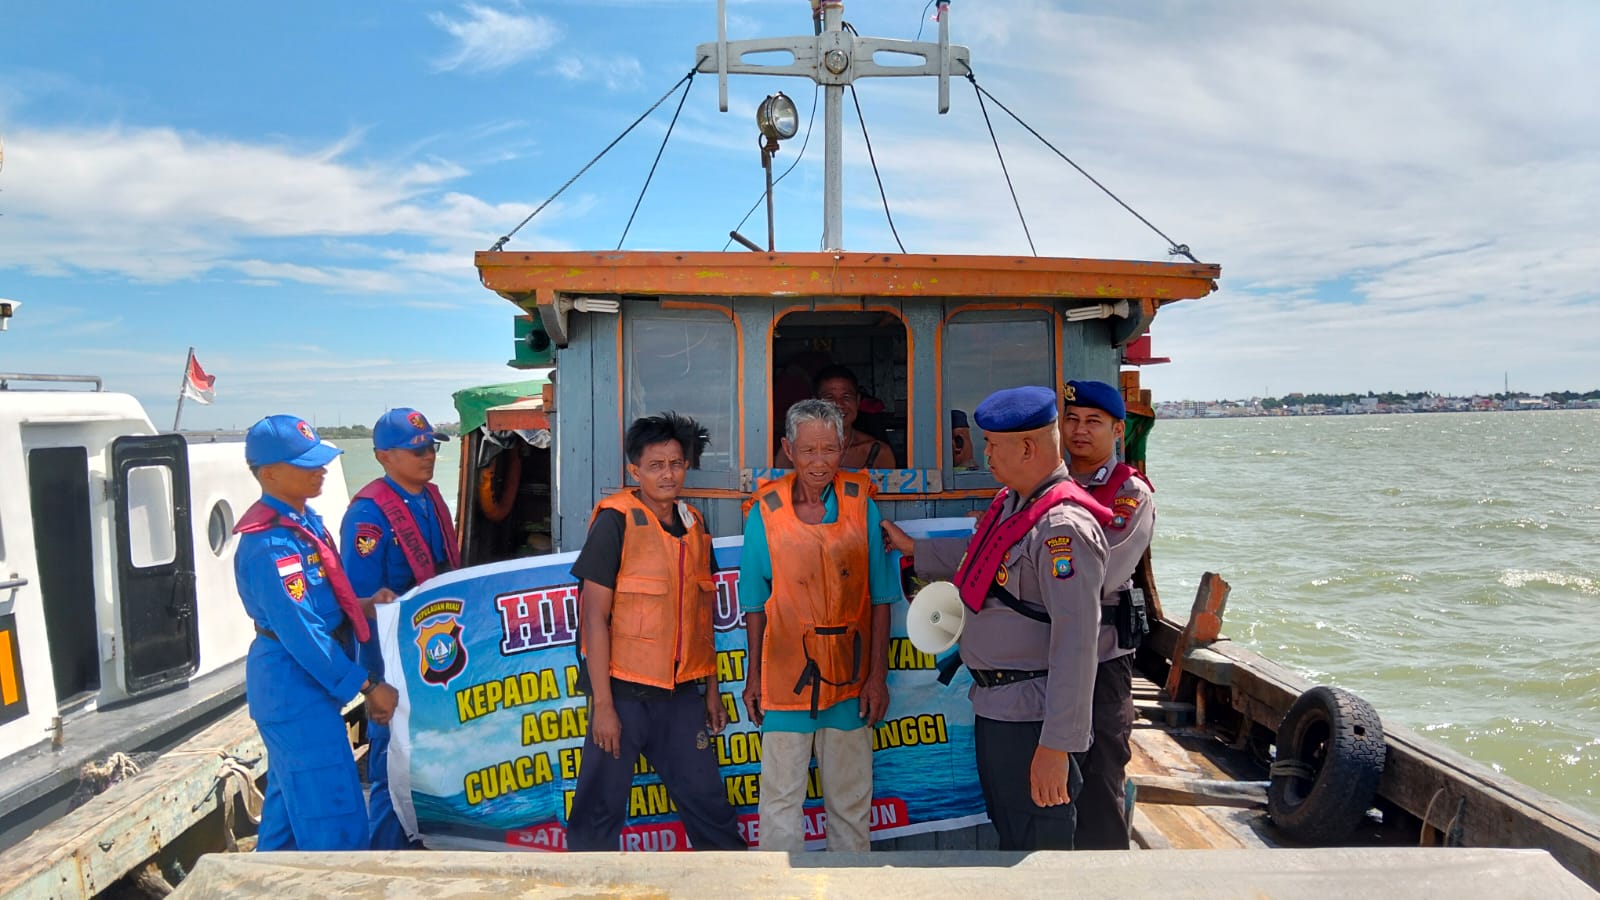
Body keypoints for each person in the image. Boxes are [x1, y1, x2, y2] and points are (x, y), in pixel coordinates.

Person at [882, 386, 1111, 851]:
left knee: (1040, 848)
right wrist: (916, 550)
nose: (983, 454)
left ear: (1027, 448)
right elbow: (981, 558)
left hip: (1034, 718)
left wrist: (1057, 746)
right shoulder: (1014, 505)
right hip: (997, 708)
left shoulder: (1062, 528)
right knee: (1012, 831)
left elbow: (1077, 644)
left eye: (992, 445)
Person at [565, 413, 745, 851]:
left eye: (676, 463)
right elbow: (593, 619)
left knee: (710, 807)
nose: (668, 474)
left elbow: (704, 620)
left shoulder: (695, 527)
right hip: (624, 696)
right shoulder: (616, 521)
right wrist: (603, 707)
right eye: (656, 465)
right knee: (598, 810)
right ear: (635, 471)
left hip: (682, 697)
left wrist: (711, 689)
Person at [232, 415, 399, 851]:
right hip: (294, 686)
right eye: (306, 464)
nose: (320, 470)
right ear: (268, 473)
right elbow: (302, 632)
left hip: (304, 685)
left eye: (320, 461)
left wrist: (365, 606)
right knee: (336, 818)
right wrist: (369, 685)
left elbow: (319, 604)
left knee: (288, 814)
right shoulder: (271, 544)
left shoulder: (304, 524)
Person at [741, 399, 897, 852]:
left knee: (850, 808)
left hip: (850, 683)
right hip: (786, 679)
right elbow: (754, 603)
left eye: (829, 450)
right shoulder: (765, 511)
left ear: (844, 446)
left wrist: (877, 677)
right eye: (808, 451)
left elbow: (881, 597)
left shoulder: (859, 502)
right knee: (779, 805)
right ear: (788, 449)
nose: (819, 462)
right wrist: (755, 677)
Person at [340, 407, 459, 849]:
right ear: (383, 457)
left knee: (430, 750)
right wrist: (373, 684)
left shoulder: (431, 499)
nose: (427, 456)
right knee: (393, 755)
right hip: (390, 658)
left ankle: (425, 837)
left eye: (430, 447)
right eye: (416, 450)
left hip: (430, 650)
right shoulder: (369, 516)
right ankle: (385, 850)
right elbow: (356, 603)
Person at [1061, 379, 1155, 850]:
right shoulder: (1044, 487)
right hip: (1048, 656)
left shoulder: (1129, 494)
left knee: (1100, 774)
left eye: (1093, 422)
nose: (1080, 431)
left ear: (1117, 430)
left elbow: (1104, 572)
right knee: (1050, 779)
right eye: (1072, 420)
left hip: (1101, 658)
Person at [775, 365, 896, 469]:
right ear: (815, 402)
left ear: (858, 401)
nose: (838, 404)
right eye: (829, 397)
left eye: (846, 397)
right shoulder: (792, 451)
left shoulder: (879, 452)